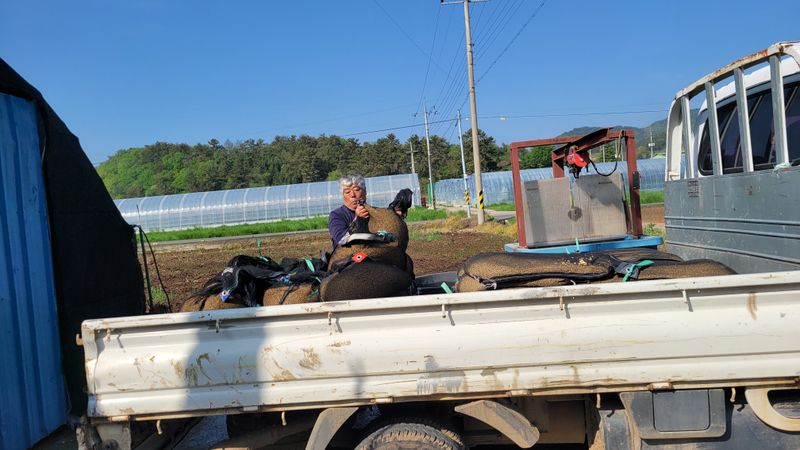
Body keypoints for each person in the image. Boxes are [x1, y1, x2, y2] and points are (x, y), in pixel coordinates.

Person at [328, 174, 369, 247]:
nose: (353, 195)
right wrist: (358, 220)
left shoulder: (375, 213)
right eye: (347, 192)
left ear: (365, 191)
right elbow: (341, 240)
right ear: (343, 195)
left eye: (356, 190)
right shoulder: (337, 215)